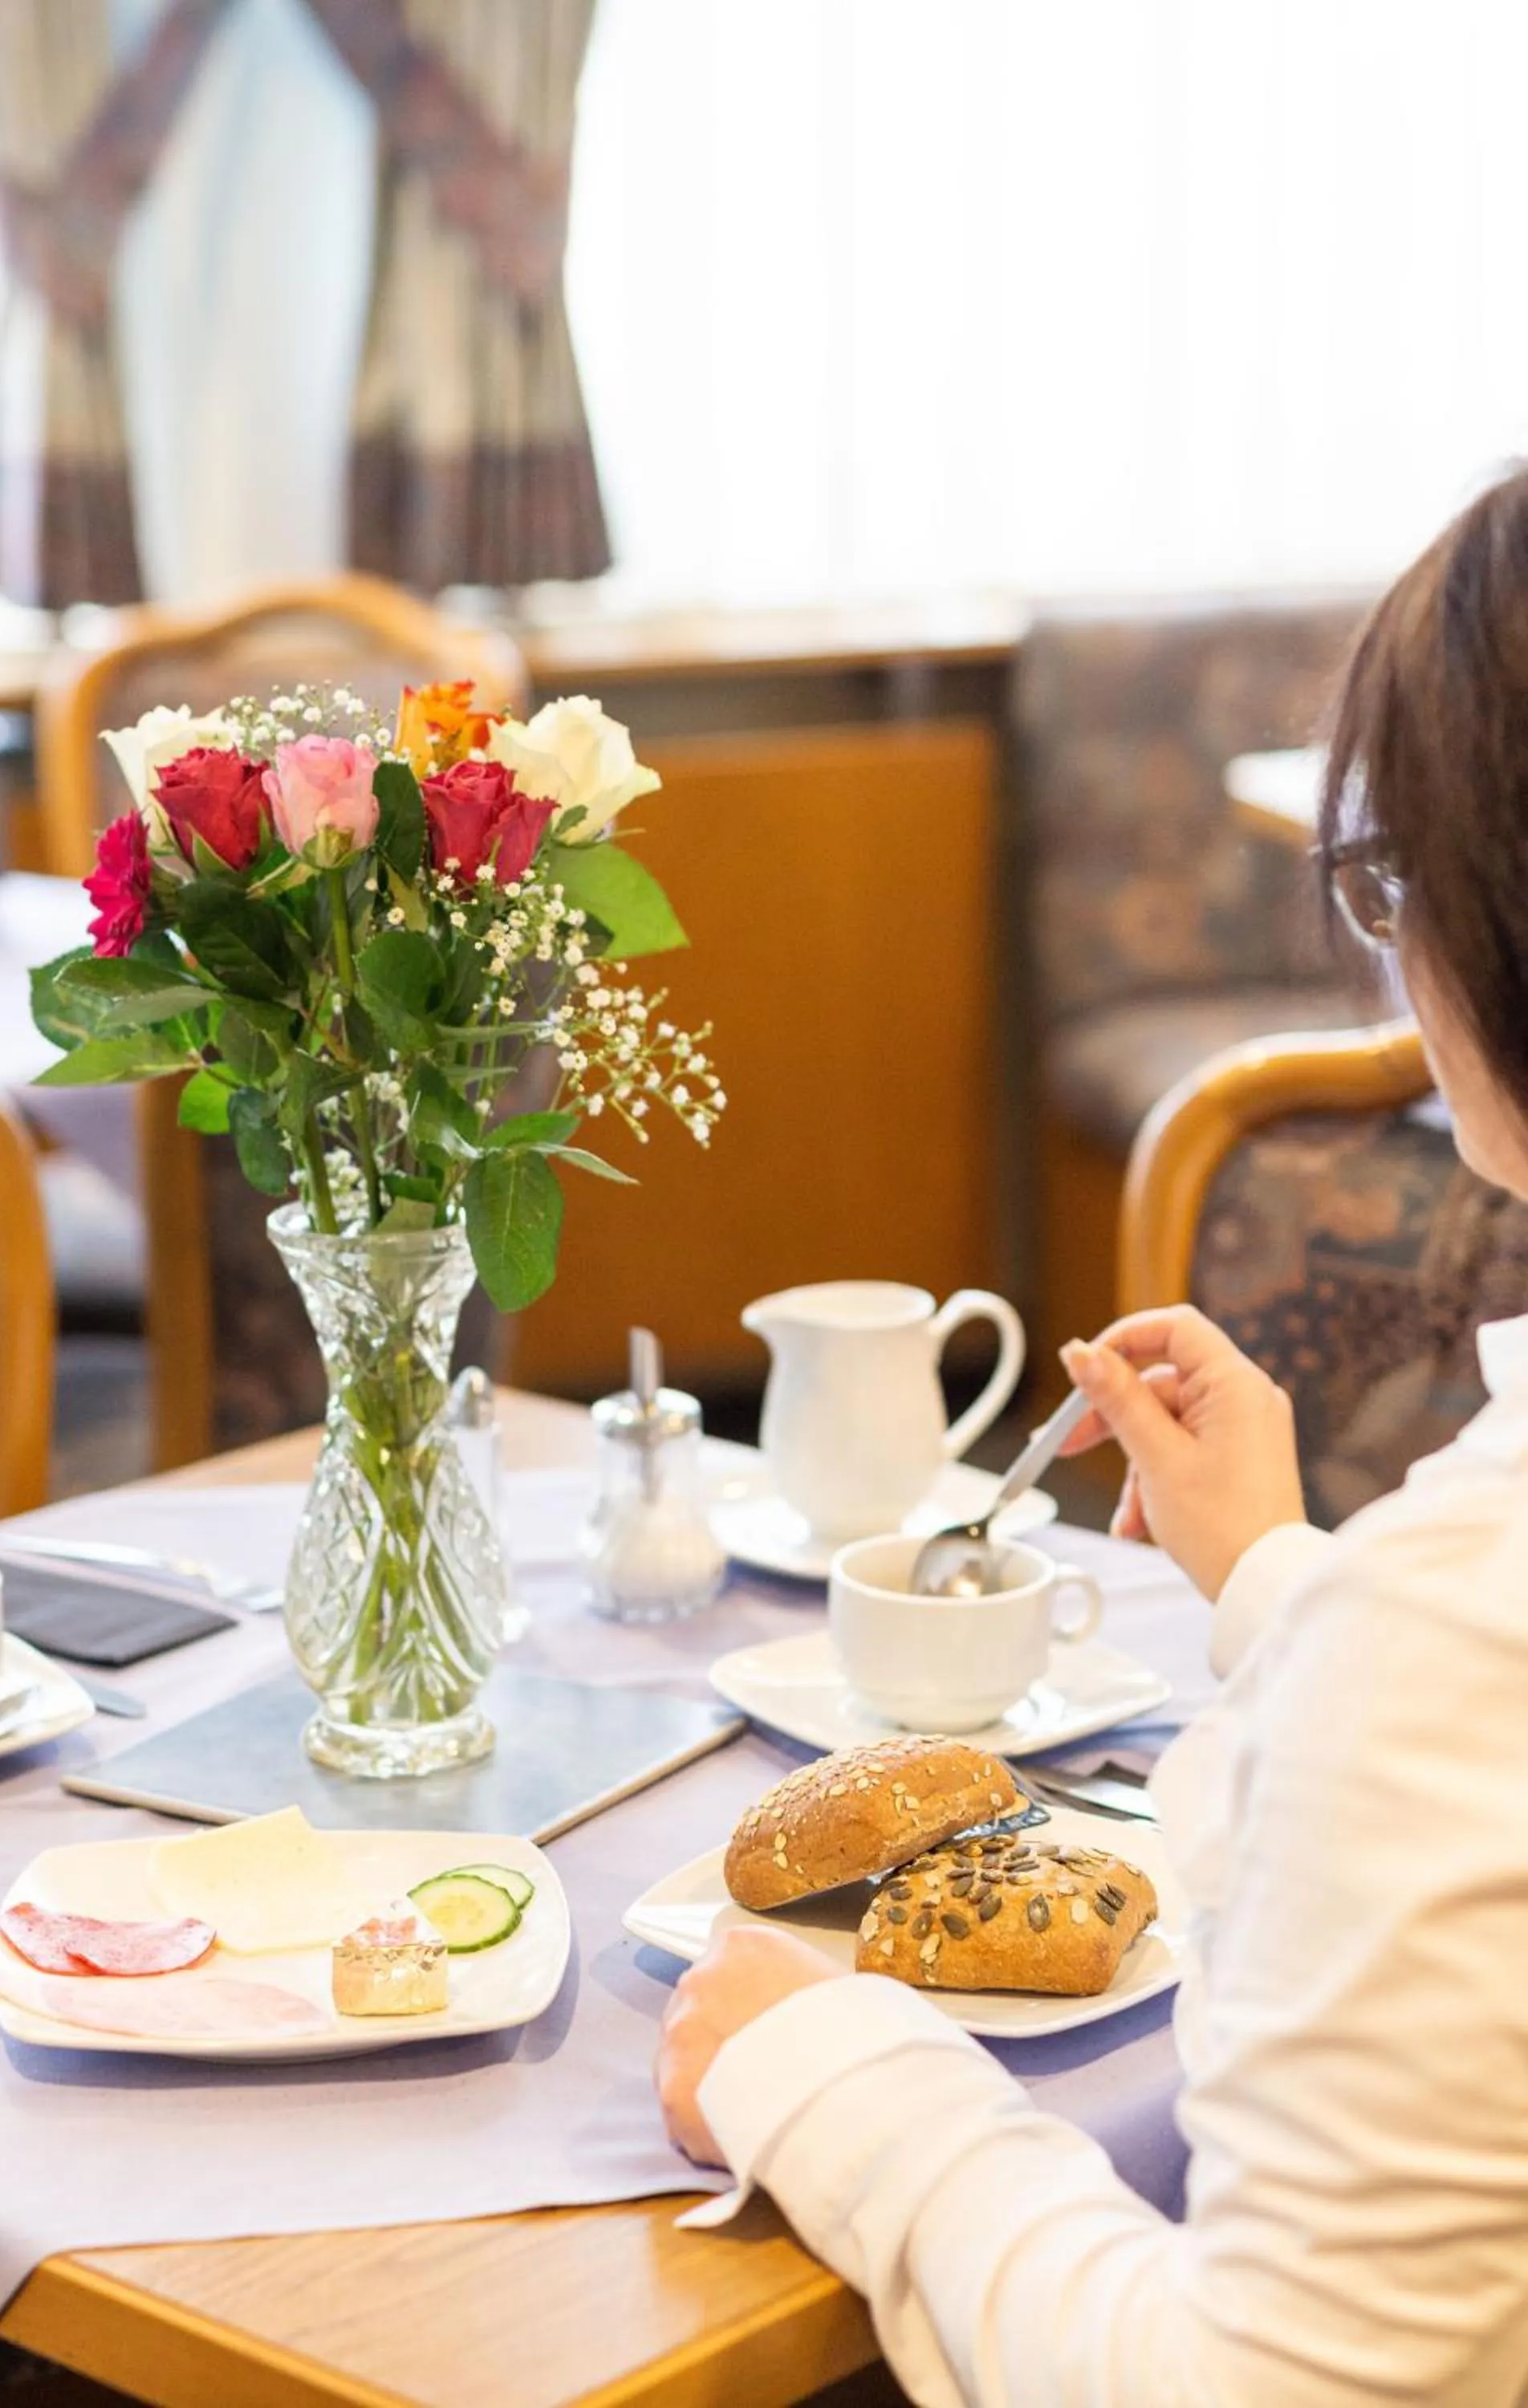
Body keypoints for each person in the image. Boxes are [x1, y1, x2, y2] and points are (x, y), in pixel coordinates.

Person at [654, 466, 1528, 2407]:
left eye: (1384, 881)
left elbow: (1262, 2390)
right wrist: (1283, 1577)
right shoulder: (1436, 1619)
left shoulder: (1452, 1627)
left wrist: (830, 2076)